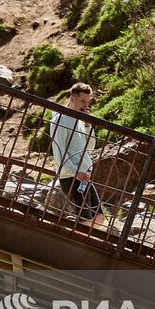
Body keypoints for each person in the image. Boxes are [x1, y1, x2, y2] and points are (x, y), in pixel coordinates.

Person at [49, 83, 106, 229]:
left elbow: (90, 147)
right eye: (82, 101)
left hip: (83, 176)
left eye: (88, 102)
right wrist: (75, 172)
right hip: (71, 177)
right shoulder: (61, 119)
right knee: (83, 221)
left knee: (99, 218)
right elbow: (58, 150)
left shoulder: (80, 120)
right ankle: (71, 244)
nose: (86, 106)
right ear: (72, 98)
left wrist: (88, 125)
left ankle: (77, 240)